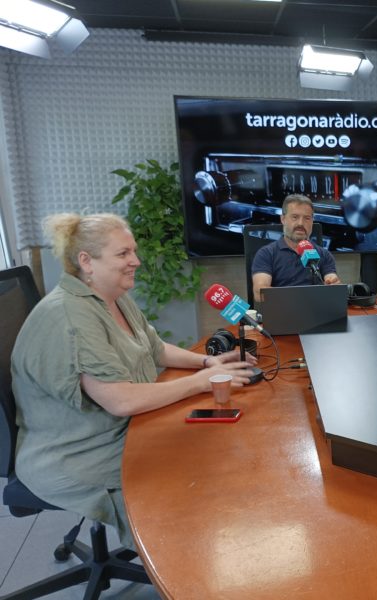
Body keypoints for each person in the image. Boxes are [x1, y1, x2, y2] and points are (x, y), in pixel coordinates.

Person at [11, 213, 257, 547]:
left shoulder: (111, 296)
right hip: (76, 453)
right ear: (87, 261)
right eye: (123, 254)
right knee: (192, 475)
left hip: (119, 429)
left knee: (211, 448)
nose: (136, 261)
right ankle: (182, 563)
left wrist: (206, 361)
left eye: (134, 252)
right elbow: (121, 401)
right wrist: (201, 381)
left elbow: (155, 348)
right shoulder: (70, 315)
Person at [251, 194, 340, 292]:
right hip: (282, 306)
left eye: (307, 218)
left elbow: (331, 281)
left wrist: (332, 283)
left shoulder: (324, 255)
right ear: (283, 219)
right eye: (295, 217)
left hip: (316, 306)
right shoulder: (266, 254)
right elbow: (260, 293)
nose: (300, 223)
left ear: (312, 221)